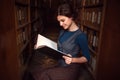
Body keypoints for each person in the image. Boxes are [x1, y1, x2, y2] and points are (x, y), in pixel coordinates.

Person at [33, 3, 90, 80]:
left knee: (44, 75)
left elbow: (87, 58)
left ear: (71, 17)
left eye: (63, 20)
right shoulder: (62, 31)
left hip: (71, 68)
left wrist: (72, 59)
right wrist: (43, 47)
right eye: (59, 21)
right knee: (37, 72)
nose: (60, 24)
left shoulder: (80, 36)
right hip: (60, 64)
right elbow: (59, 48)